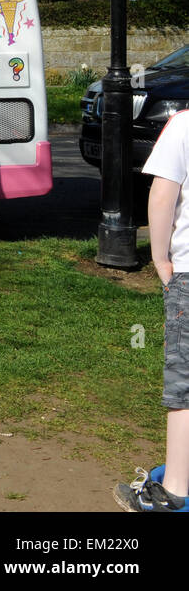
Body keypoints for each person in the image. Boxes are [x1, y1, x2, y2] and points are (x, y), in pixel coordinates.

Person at [113, 110, 189, 511]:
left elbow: (162, 195)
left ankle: (175, 492)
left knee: (185, 388)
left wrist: (160, 258)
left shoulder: (182, 125)